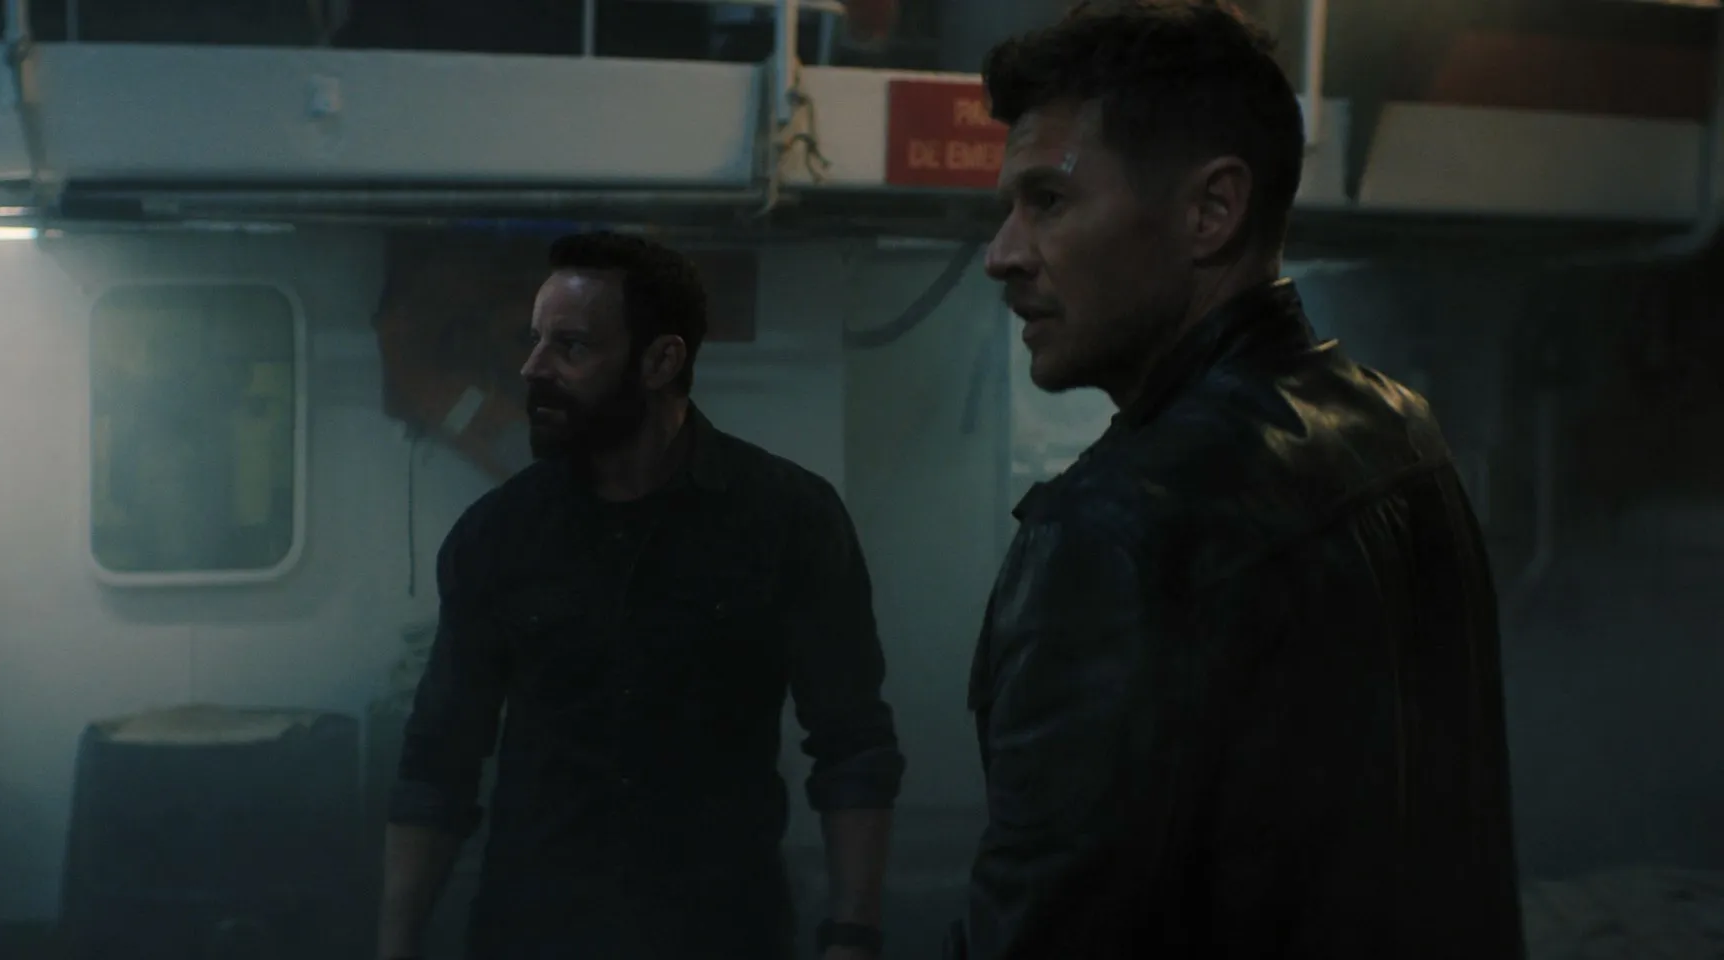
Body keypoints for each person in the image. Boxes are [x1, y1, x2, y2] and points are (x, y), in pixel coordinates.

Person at [956, 3, 1525, 959]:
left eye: (1047, 201)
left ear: (1211, 212)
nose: (1000, 254)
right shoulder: (1400, 431)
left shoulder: (1118, 532)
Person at [379, 231, 904, 960]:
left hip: (721, 936)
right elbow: (439, 760)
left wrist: (853, 935)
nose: (533, 368)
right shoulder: (498, 536)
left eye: (570, 346)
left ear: (661, 361)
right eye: (534, 341)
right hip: (535, 937)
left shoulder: (786, 519)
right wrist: (395, 948)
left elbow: (852, 744)